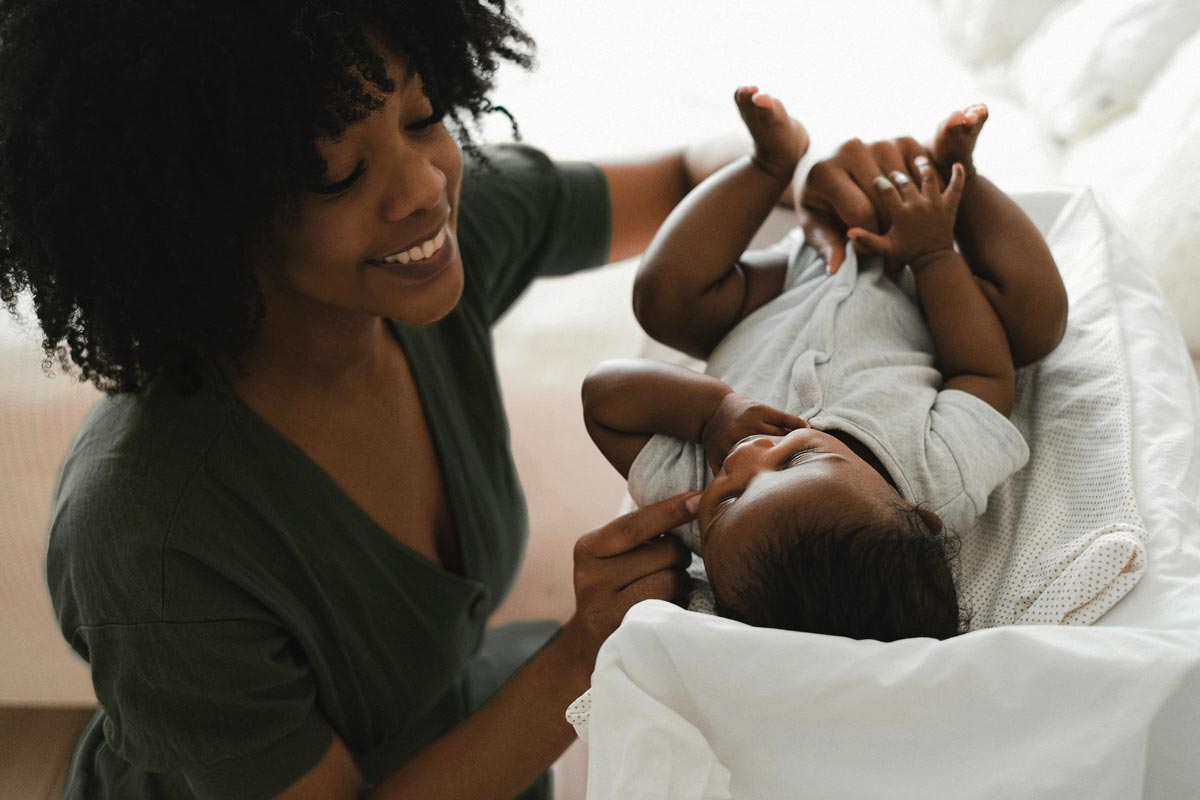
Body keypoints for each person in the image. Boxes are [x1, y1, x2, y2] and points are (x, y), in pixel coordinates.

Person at [582, 87, 1068, 638]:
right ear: (919, 518)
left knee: (663, 298)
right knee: (1036, 322)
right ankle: (960, 177)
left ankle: (768, 163)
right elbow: (982, 373)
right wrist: (934, 255)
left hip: (786, 289)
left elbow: (605, 395)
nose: (746, 459)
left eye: (727, 502)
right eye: (793, 461)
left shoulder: (688, 493)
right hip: (924, 297)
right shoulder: (939, 477)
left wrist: (714, 411)